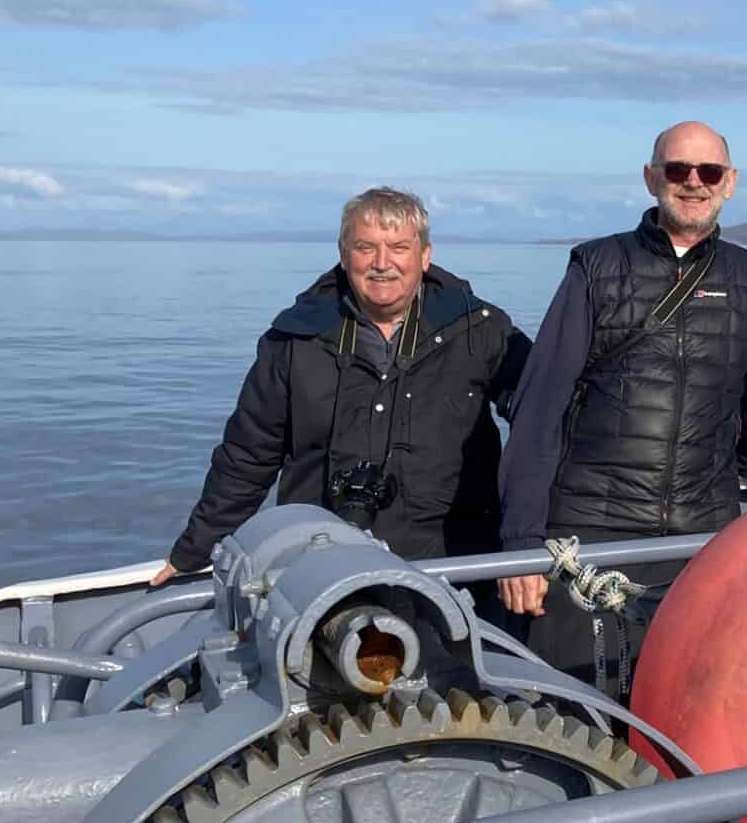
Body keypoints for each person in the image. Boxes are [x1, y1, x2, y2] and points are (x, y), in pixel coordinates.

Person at [496, 121, 747, 688]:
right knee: (573, 710)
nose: (693, 183)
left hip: (697, 534)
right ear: (651, 178)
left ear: (728, 183)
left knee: (684, 701)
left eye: (708, 172)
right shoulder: (597, 266)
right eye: (677, 170)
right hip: (592, 530)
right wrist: (521, 545)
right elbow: (540, 408)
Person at [154, 187, 530, 583]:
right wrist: (193, 551)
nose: (382, 263)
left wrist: (528, 540)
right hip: (321, 564)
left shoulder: (480, 330)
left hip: (453, 561)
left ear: (425, 255)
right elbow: (248, 456)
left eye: (398, 247)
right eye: (365, 247)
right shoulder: (296, 338)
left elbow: (547, 417)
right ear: (343, 252)